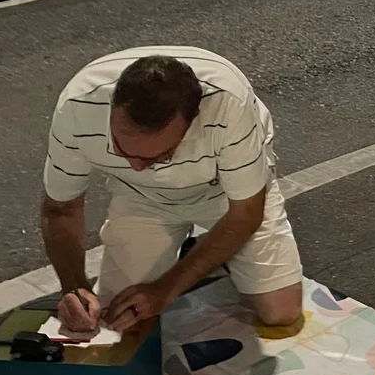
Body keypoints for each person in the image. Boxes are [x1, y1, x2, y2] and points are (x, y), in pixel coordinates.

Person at [42, 49, 303, 335]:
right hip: (139, 195)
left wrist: (165, 290)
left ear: (193, 122)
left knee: (280, 311)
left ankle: (214, 251)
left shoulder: (228, 103)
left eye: (160, 156)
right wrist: (75, 287)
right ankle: (209, 252)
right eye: (121, 149)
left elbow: (246, 212)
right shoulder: (77, 107)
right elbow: (61, 208)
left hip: (223, 195)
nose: (138, 166)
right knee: (119, 317)